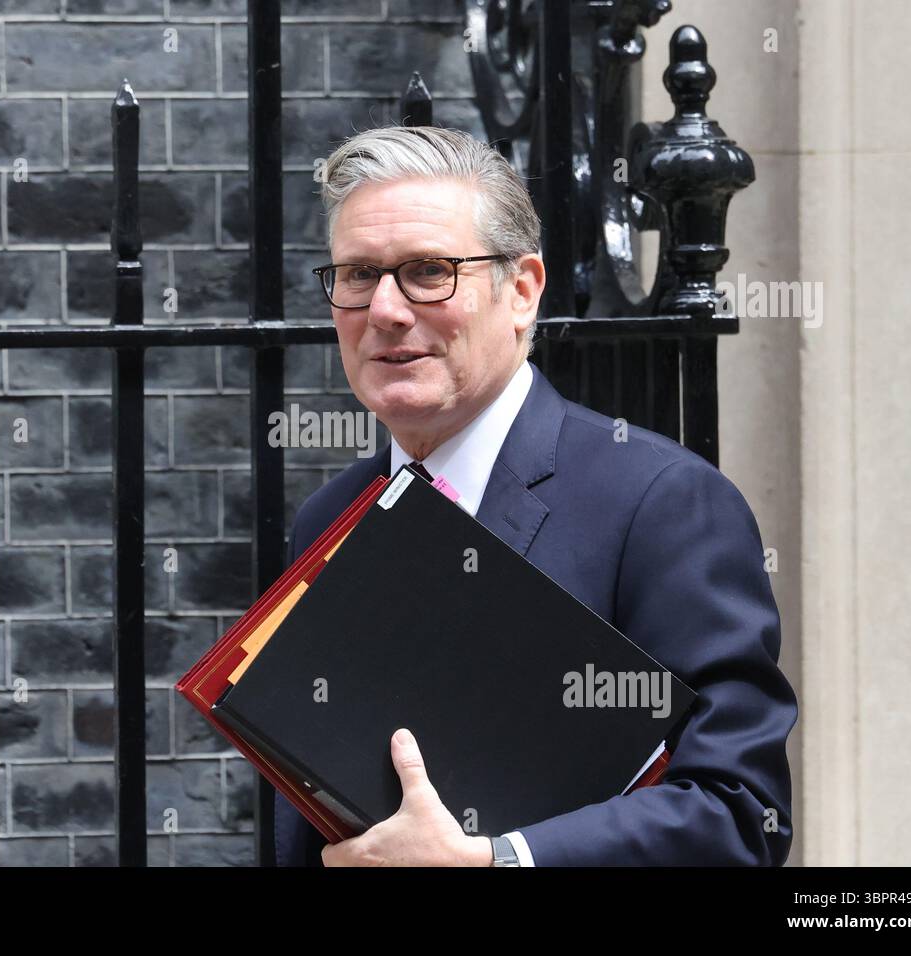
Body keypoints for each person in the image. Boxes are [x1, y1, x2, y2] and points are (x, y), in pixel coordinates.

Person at [272, 125, 797, 867]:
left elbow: (740, 818)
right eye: (358, 274)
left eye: (428, 271)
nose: (385, 309)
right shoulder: (327, 519)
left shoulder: (662, 504)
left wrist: (499, 861)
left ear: (521, 291)